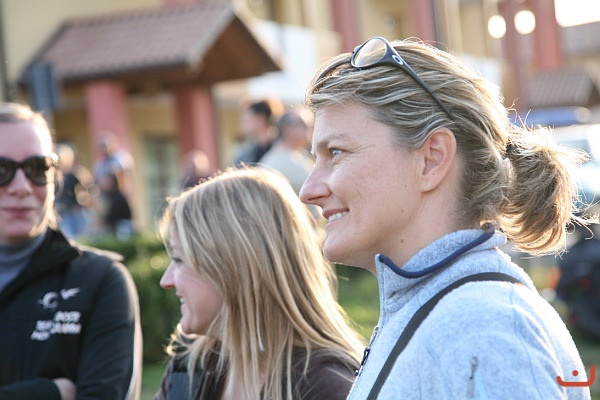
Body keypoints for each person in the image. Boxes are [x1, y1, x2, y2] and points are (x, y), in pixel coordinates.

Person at [299, 36, 596, 399]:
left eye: (336, 152)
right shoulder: (446, 309)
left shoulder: (482, 327)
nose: (308, 190)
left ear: (432, 159)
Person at [155, 167, 364, 400]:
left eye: (179, 259)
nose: (166, 281)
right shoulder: (189, 368)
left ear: (233, 267)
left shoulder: (325, 388)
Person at [0, 102, 142, 400]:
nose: (21, 186)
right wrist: (49, 392)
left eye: (37, 168)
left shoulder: (100, 280)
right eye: (2, 170)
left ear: (55, 177)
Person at [259, 109, 314, 194]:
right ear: (287, 130)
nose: (308, 129)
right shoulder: (275, 164)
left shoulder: (300, 154)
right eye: (303, 125)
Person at [55, 143, 94, 238]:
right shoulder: (58, 176)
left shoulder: (76, 174)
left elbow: (88, 189)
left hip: (76, 211)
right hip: (63, 212)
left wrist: (82, 203)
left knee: (82, 236)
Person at [231, 98, 283, 166]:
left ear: (260, 119)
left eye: (246, 119)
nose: (241, 122)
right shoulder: (246, 152)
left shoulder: (282, 146)